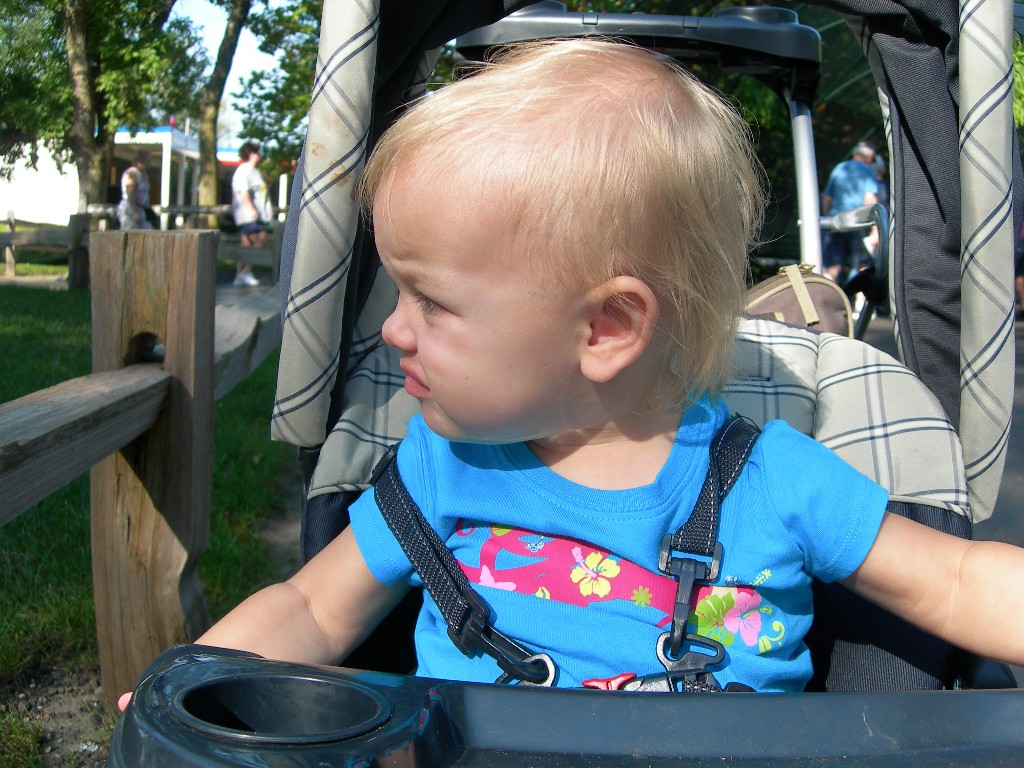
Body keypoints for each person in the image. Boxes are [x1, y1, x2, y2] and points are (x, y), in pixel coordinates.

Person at [120, 39, 1024, 707]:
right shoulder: (440, 467)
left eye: (430, 301)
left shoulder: (777, 481)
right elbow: (312, 610)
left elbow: (955, 583)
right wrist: (195, 686)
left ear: (607, 328)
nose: (392, 329)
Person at [821, 141, 879, 281]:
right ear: (869, 157)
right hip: (857, 222)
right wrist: (875, 228)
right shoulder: (868, 171)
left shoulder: (839, 168)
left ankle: (825, 291)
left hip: (835, 221)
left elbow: (827, 198)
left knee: (834, 265)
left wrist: (828, 218)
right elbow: (869, 198)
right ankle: (860, 294)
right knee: (862, 265)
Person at [231, 141, 272, 287]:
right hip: (249, 214)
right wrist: (251, 208)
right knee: (260, 238)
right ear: (252, 153)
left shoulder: (254, 171)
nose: (260, 155)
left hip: (254, 214)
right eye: (258, 152)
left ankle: (239, 276)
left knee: (246, 245)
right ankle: (246, 271)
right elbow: (243, 190)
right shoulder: (245, 169)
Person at [116, 153, 155, 231]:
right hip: (131, 208)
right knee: (130, 233)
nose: (149, 164)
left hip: (142, 209)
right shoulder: (132, 173)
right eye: (147, 161)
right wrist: (135, 211)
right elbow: (130, 193)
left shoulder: (143, 174)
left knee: (148, 231)